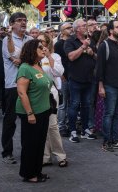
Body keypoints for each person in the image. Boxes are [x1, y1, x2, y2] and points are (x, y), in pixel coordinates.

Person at [16, 39, 51, 182]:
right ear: (32, 50)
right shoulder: (25, 68)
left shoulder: (38, 65)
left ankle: (37, 171)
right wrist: (30, 113)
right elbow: (22, 93)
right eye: (40, 47)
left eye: (44, 47)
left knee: (40, 143)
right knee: (30, 144)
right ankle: (29, 174)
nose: (44, 49)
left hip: (43, 111)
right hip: (31, 112)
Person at [1, 12, 32, 164]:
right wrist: (26, 57)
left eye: (24, 20)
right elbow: (16, 59)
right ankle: (7, 152)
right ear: (12, 24)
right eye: (19, 21)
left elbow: (34, 59)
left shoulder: (30, 39)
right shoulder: (7, 40)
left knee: (28, 119)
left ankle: (28, 151)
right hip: (13, 85)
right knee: (10, 120)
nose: (23, 23)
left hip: (30, 86)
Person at [97, 20, 118, 152]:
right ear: (110, 30)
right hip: (110, 86)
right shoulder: (104, 45)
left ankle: (115, 140)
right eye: (117, 27)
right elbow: (99, 68)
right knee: (108, 114)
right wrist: (101, 86)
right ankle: (106, 142)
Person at [64, 19, 97, 143]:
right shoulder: (70, 41)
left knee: (87, 105)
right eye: (84, 25)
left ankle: (85, 129)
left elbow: (97, 57)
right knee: (74, 105)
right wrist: (83, 47)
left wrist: (91, 52)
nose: (86, 27)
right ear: (77, 29)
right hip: (76, 79)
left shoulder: (90, 40)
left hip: (89, 79)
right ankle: (72, 131)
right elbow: (71, 57)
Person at [38, 32, 67, 167]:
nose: (40, 44)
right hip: (37, 95)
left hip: (51, 94)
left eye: (43, 42)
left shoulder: (55, 56)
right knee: (41, 125)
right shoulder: (33, 58)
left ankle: (60, 156)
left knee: (52, 125)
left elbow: (58, 72)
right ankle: (45, 156)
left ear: (48, 43)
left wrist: (48, 56)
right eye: (38, 41)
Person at [54, 22, 73, 137]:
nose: (71, 29)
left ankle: (70, 124)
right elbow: (57, 61)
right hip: (64, 76)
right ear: (62, 31)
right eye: (68, 28)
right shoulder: (59, 44)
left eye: (71, 27)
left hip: (74, 76)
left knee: (72, 103)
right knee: (63, 103)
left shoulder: (73, 42)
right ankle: (61, 126)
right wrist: (61, 76)